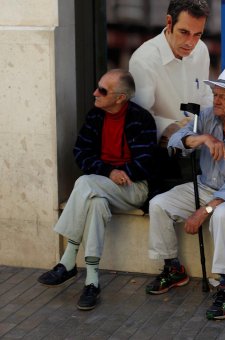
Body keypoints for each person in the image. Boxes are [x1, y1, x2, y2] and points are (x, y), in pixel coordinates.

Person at [147, 66, 225, 321]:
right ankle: (172, 267)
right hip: (205, 185)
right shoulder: (207, 117)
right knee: (158, 203)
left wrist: (205, 210)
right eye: (215, 93)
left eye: (224, 96)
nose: (216, 100)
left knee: (222, 214)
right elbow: (173, 141)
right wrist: (201, 138)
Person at [37, 69, 157, 311]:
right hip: (101, 187)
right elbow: (80, 152)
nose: (95, 93)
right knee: (95, 203)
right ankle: (92, 281)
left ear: (120, 97)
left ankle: (68, 259)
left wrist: (123, 173)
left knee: (84, 183)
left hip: (133, 189)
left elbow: (147, 160)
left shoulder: (140, 118)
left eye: (102, 90)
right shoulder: (95, 116)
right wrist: (108, 172)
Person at [129, 0, 213, 139]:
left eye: (197, 34)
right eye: (184, 32)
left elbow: (205, 97)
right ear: (169, 22)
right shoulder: (144, 60)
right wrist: (172, 127)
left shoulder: (201, 50)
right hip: (160, 151)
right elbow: (137, 118)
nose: (190, 43)